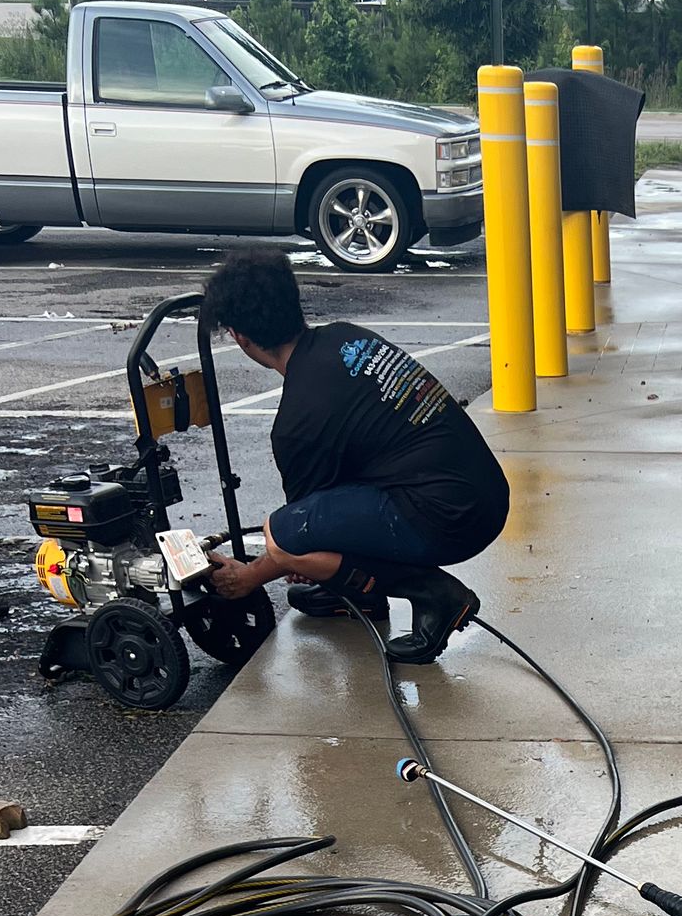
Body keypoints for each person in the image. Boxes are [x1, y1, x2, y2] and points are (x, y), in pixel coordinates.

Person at [197, 249, 510, 664]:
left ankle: (436, 596)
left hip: (450, 519)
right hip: (484, 492)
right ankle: (361, 597)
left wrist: (250, 576)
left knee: (285, 533)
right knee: (314, 528)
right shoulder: (347, 337)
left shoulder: (298, 422)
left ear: (240, 336)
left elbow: (298, 536)